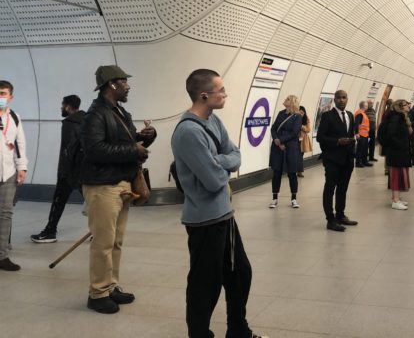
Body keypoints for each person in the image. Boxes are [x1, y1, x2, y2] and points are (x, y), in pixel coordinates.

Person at [171, 69, 268, 338]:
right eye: (221, 90)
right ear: (204, 95)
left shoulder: (214, 121)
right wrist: (222, 164)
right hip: (204, 220)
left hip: (224, 215)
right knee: (205, 284)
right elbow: (214, 180)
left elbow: (235, 155)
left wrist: (220, 161)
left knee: (240, 274)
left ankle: (238, 330)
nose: (225, 94)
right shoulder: (189, 132)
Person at [80, 65, 156, 314]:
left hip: (120, 184)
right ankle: (98, 293)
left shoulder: (118, 112)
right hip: (103, 186)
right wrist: (133, 150)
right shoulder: (95, 114)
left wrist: (147, 136)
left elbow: (129, 140)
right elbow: (95, 150)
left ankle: (110, 286)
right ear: (111, 84)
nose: (128, 86)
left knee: (116, 241)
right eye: (124, 81)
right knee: (103, 242)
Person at [31, 95, 86, 243]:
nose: (61, 108)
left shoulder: (69, 123)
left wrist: (64, 172)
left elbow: (68, 149)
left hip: (68, 171)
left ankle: (50, 232)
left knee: (58, 202)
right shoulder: (87, 121)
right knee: (92, 202)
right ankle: (101, 230)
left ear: (68, 106)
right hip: (84, 169)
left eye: (62, 105)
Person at [316, 89, 358, 232]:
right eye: (339, 98)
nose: (341, 100)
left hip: (347, 159)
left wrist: (352, 148)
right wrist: (337, 141)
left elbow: (351, 134)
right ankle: (330, 219)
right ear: (334, 99)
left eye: (344, 97)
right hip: (332, 159)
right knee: (330, 188)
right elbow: (320, 137)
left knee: (343, 188)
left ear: (347, 99)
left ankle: (340, 215)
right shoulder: (327, 116)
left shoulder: (350, 116)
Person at [0, 80, 27, 271]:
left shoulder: (15, 117)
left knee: (5, 214)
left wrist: (22, 167)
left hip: (8, 172)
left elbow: (20, 143)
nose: (0, 97)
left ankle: (2, 255)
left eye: (3, 93)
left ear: (10, 96)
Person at [268, 95, 302, 209]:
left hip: (290, 148)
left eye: (287, 99)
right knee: (276, 173)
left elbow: (294, 132)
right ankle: (274, 198)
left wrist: (281, 140)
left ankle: (293, 198)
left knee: (292, 173)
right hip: (277, 147)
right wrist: (276, 140)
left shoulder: (297, 116)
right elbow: (273, 128)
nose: (285, 100)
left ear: (292, 102)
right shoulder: (281, 113)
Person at [384, 100, 412, 210]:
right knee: (395, 175)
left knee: (400, 174)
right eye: (406, 105)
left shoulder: (402, 117)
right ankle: (395, 201)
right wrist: (399, 145)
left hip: (400, 151)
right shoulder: (395, 118)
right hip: (396, 151)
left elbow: (409, 132)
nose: (408, 106)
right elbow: (391, 134)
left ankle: (397, 198)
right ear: (400, 107)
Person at [354, 101, 372, 168]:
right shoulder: (359, 113)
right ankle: (358, 162)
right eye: (366, 105)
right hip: (361, 134)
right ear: (363, 106)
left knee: (365, 148)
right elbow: (356, 124)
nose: (367, 106)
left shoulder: (363, 113)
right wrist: (356, 133)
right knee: (360, 149)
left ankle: (364, 161)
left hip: (365, 134)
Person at [298, 105, 312, 177]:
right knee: (295, 155)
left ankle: (299, 172)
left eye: (302, 113)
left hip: (303, 140)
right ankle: (294, 170)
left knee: (300, 156)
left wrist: (301, 126)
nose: (301, 114)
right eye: (299, 112)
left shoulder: (306, 119)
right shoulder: (294, 118)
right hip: (295, 139)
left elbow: (308, 129)